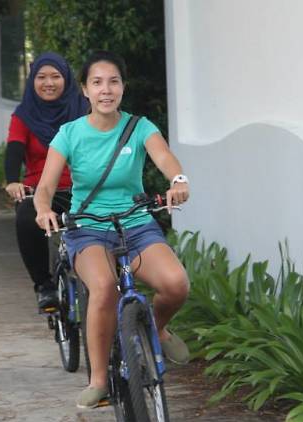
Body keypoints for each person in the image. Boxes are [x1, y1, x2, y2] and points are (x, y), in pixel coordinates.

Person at [33, 50, 191, 409]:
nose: (106, 90)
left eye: (114, 81)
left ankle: (158, 327)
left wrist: (178, 180)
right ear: (85, 91)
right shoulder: (69, 134)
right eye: (97, 83)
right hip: (88, 229)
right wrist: (43, 209)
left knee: (176, 284)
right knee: (103, 287)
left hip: (136, 224)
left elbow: (164, 157)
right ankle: (99, 379)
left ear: (123, 87)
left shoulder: (139, 127)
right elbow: (45, 186)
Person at [4, 52, 89, 310]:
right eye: (41, 77)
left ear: (67, 80)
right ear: (32, 81)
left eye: (55, 76)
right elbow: (14, 149)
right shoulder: (24, 115)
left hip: (83, 189)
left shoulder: (84, 109)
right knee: (26, 218)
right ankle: (44, 285)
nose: (48, 83)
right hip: (40, 191)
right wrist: (12, 181)